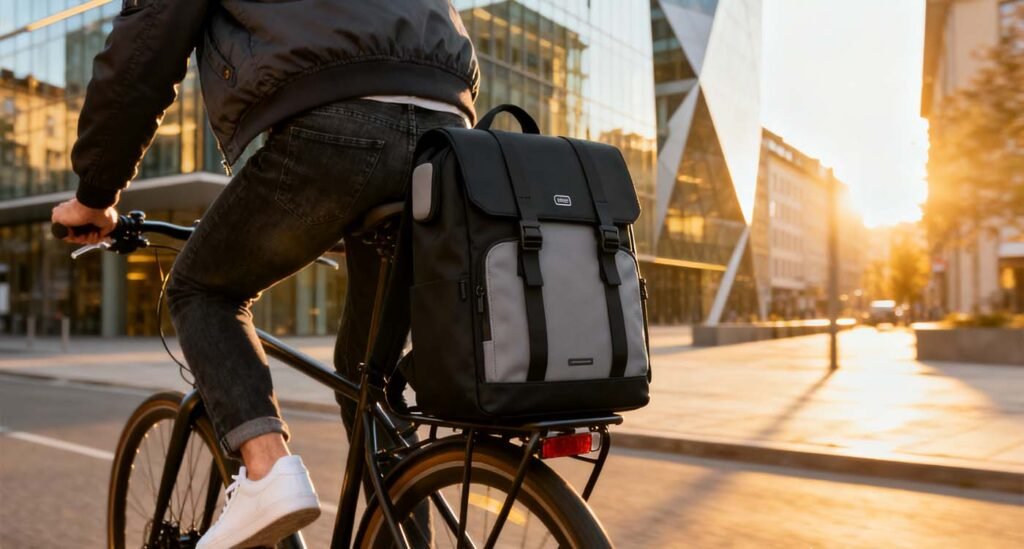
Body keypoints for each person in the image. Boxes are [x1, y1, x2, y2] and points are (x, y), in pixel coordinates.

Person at [50, 1, 478, 546]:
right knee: (366, 371)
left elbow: (145, 49)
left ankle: (266, 470)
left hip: (334, 122)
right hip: (443, 133)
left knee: (202, 289)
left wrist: (95, 194)